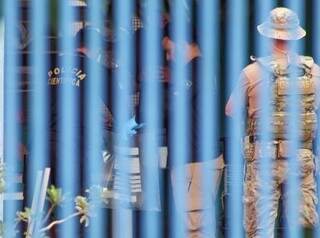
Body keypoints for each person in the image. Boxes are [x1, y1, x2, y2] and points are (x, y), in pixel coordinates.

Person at [225, 7, 320, 238]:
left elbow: (230, 110)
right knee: (304, 226)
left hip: (264, 159)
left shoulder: (252, 72)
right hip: (302, 157)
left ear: (268, 36)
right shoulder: (315, 72)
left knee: (261, 228)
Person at [161, 23, 224, 238]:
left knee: (193, 228)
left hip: (195, 161)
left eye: (169, 51)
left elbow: (170, 104)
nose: (168, 58)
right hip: (196, 160)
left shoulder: (195, 69)